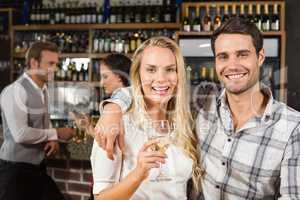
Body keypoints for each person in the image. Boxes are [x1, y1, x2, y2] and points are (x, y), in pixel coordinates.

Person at [95, 17, 300, 199]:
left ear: (261, 57)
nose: (233, 65)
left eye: (242, 54)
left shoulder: (291, 126)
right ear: (216, 62)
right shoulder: (203, 104)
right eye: (223, 56)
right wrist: (113, 109)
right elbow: (151, 88)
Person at [90, 36, 201, 200]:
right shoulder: (117, 125)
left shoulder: (184, 124)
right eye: (151, 70)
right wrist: (139, 173)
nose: (161, 78)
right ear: (138, 74)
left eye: (170, 69)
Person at [0, 41, 75, 200]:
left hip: (37, 168)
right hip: (15, 171)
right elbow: (20, 134)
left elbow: (44, 119)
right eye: (50, 63)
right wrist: (56, 133)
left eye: (56, 64)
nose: (55, 68)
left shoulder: (43, 89)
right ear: (34, 63)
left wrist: (52, 138)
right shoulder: (15, 90)